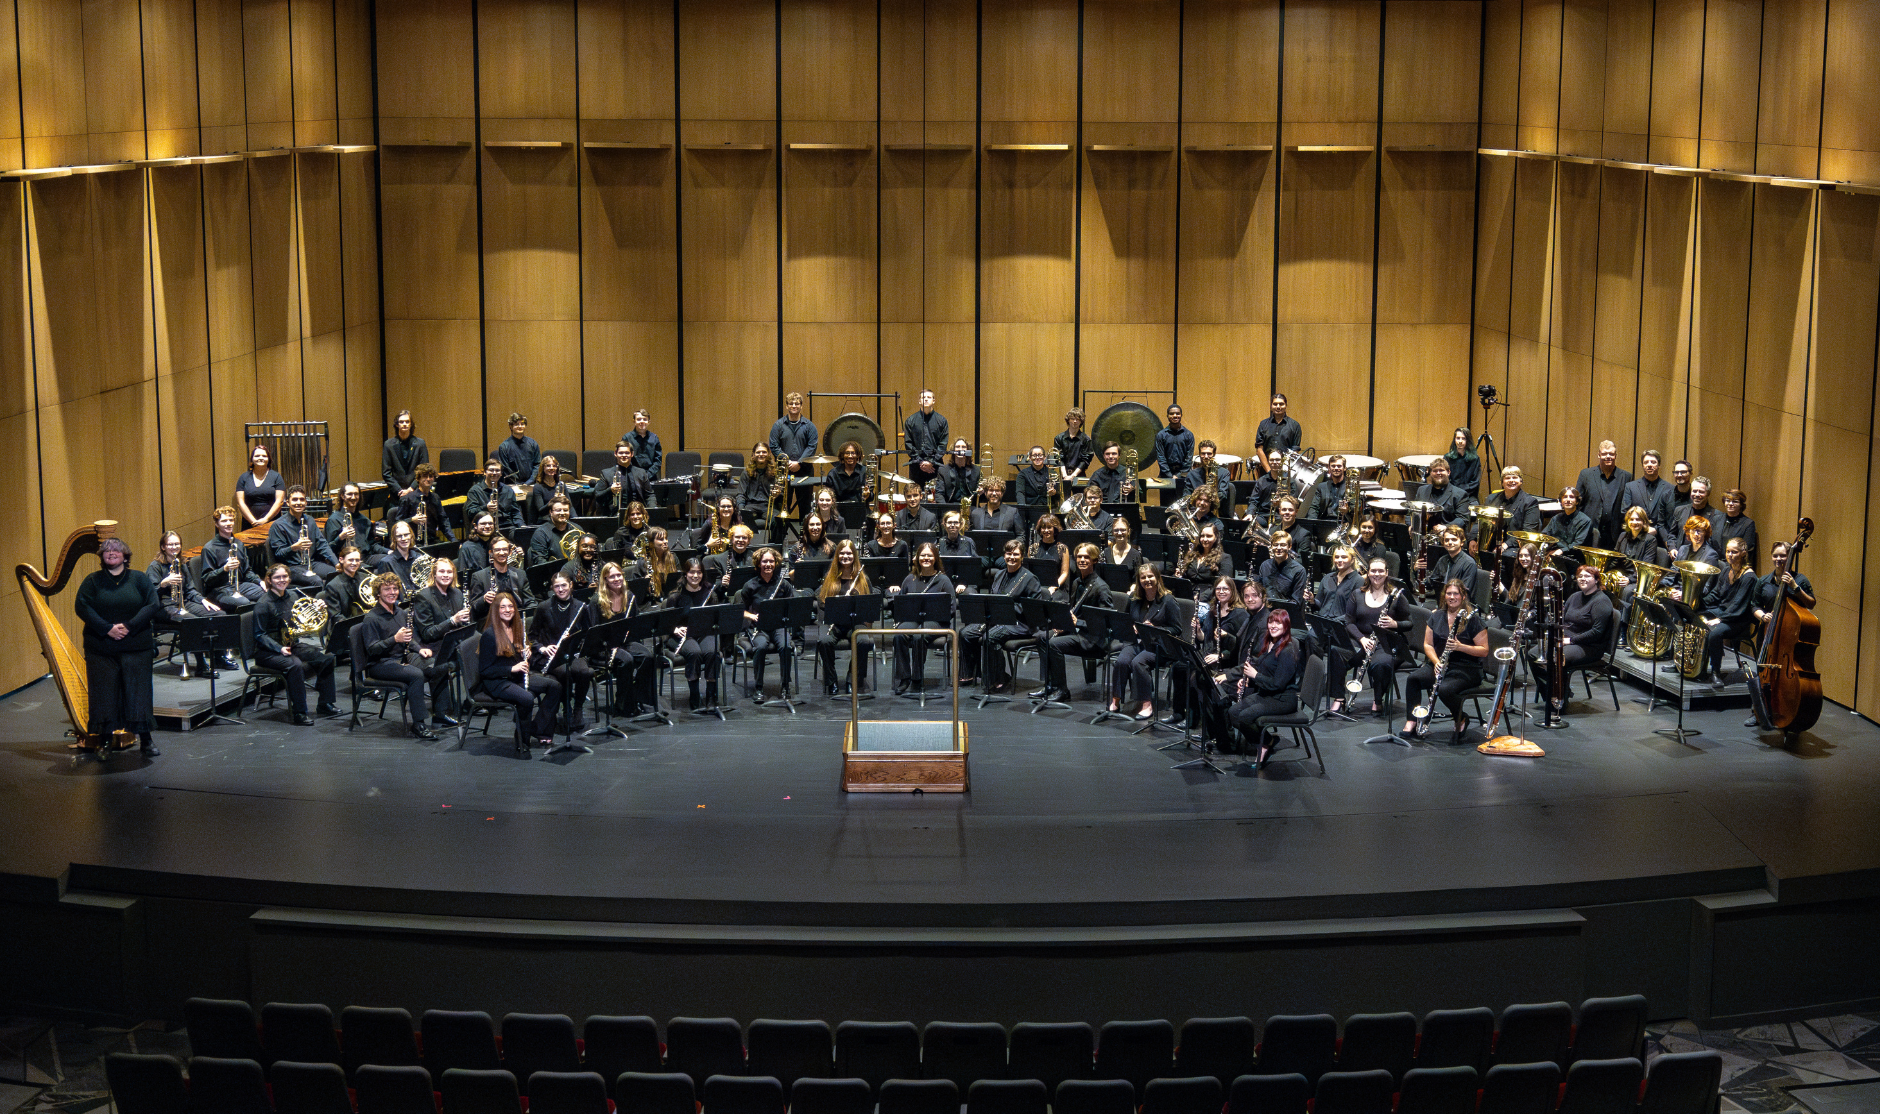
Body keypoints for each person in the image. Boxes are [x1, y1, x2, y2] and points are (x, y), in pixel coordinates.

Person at [75, 537, 161, 757]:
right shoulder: (92, 581)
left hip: (136, 646)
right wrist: (107, 629)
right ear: (101, 556)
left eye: (115, 550)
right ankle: (104, 741)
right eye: (106, 550)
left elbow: (153, 604)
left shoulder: (139, 579)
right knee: (103, 695)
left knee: (138, 693)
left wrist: (129, 626)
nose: (110, 553)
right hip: (101, 648)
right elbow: (82, 607)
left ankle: (146, 740)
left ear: (125, 554)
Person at [359, 571, 447, 740]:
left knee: (438, 666)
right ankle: (419, 724)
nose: (392, 592)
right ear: (378, 593)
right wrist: (394, 639)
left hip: (402, 658)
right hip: (380, 665)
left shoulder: (400, 612)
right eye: (387, 589)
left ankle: (440, 714)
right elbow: (371, 650)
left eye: (395, 588)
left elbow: (408, 637)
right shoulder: (371, 618)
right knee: (416, 675)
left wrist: (419, 648)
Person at [1401, 579, 1488, 743]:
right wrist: (1436, 662)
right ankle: (1412, 720)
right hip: (1440, 664)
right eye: (1449, 593)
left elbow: (1484, 650)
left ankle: (1461, 718)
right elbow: (1427, 644)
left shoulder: (1473, 619)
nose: (1452, 597)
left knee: (1445, 689)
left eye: (1456, 594)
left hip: (1466, 668)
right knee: (1413, 679)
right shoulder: (1437, 616)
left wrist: (1460, 647)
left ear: (1463, 597)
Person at [252, 563, 339, 725]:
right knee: (295, 665)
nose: (281, 580)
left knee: (326, 657)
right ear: (269, 580)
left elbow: (301, 619)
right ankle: (299, 712)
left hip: (291, 644)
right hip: (267, 652)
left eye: (284, 577)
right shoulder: (263, 604)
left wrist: (317, 607)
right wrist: (279, 648)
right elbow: (259, 634)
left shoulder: (292, 596)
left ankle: (325, 703)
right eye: (277, 577)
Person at [478, 591, 561, 751]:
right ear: (496, 610)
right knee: (527, 698)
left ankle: (538, 729)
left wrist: (527, 654)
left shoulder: (516, 629)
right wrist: (512, 668)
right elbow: (485, 670)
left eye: (510, 606)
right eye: (503, 607)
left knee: (554, 686)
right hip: (497, 681)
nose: (507, 610)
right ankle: (522, 740)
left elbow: (516, 657)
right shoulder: (489, 635)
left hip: (514, 677)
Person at [959, 540, 1044, 693]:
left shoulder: (1030, 578)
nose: (1012, 557)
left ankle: (998, 679)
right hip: (998, 619)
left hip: (1021, 624)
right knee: (965, 633)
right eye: (1008, 553)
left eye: (1016, 554)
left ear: (1022, 557)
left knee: (989, 638)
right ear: (1004, 555)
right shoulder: (999, 574)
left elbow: (1034, 609)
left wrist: (1006, 607)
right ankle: (972, 674)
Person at [1531, 564, 1616, 713]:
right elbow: (1562, 620)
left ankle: (1559, 700)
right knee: (1533, 653)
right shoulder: (1574, 596)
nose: (1583, 579)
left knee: (1556, 656)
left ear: (1596, 580)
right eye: (1580, 576)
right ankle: (1552, 695)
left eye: (1587, 576)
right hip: (1566, 641)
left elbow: (1597, 632)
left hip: (1590, 647)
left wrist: (1570, 640)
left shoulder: (1601, 601)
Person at [1035, 543, 1113, 702]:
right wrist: (1064, 623)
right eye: (1079, 557)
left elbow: (1106, 622)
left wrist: (1079, 623)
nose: (1082, 560)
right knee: (1042, 637)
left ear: (1094, 560)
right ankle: (1050, 685)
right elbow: (1073, 610)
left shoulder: (1101, 587)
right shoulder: (1077, 582)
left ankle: (1062, 690)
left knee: (1053, 644)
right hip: (1077, 633)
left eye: (1086, 557)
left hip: (1093, 639)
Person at [1227, 610, 1303, 765]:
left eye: (1278, 623)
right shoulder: (1270, 642)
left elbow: (1278, 684)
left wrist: (1255, 676)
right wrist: (1250, 680)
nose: (1273, 626)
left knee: (1245, 716)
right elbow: (1266, 670)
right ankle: (1268, 740)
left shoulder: (1288, 650)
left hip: (1283, 699)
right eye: (1270, 622)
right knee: (1233, 713)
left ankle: (1263, 745)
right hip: (1267, 693)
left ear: (1286, 625)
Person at [1335, 557, 1410, 716]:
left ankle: (1378, 700)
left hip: (1387, 642)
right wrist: (1361, 639)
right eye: (1373, 571)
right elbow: (1348, 622)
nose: (1377, 574)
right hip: (1361, 640)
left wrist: (1394, 624)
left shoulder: (1396, 596)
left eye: (1381, 571)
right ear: (1367, 573)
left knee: (1379, 665)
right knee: (1337, 654)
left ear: (1387, 573)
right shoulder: (1357, 594)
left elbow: (1409, 623)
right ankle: (1339, 698)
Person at [1169, 576, 1244, 730]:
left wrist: (1220, 655)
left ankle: (1195, 719)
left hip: (1227, 660)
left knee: (1195, 675)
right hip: (1208, 654)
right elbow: (1205, 638)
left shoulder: (1239, 614)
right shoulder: (1213, 611)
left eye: (1225, 589)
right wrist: (1198, 631)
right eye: (1218, 589)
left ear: (1232, 591)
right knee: (1178, 667)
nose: (1221, 592)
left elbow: (1240, 646)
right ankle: (1179, 713)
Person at [148, 530, 221, 677]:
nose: (174, 547)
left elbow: (190, 590)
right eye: (170, 544)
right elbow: (149, 596)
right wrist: (163, 584)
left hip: (183, 602)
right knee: (193, 622)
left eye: (177, 544)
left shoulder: (181, 564)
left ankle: (218, 658)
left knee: (218, 614)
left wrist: (203, 600)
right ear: (163, 547)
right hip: (164, 607)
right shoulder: (155, 567)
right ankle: (201, 665)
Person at [594, 561, 660, 718]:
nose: (616, 579)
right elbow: (593, 632)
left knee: (648, 656)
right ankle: (623, 704)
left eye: (619, 575)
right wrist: (609, 645)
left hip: (623, 643)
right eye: (612, 577)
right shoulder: (596, 601)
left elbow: (635, 625)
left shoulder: (629, 597)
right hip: (602, 648)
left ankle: (637, 697)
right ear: (605, 580)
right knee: (627, 660)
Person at [1110, 564, 1175, 719]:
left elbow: (1176, 629)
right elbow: (1125, 620)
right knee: (1122, 661)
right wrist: (1131, 627)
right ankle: (1116, 700)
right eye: (1143, 577)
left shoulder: (1168, 600)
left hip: (1159, 646)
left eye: (1150, 576)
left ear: (1157, 577)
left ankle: (1147, 704)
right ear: (1139, 580)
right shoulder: (1134, 598)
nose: (1147, 580)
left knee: (1138, 662)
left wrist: (1155, 628)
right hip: (1137, 642)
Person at [531, 571, 594, 729]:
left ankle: (578, 708)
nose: (560, 589)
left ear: (571, 585)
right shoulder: (544, 607)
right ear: (552, 588)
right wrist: (543, 648)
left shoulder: (581, 607)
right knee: (565, 673)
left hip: (573, 654)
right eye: (556, 586)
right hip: (551, 657)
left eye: (564, 585)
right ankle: (567, 708)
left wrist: (580, 648)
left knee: (585, 672)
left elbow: (588, 634)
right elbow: (532, 636)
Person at [888, 542, 953, 694]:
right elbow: (901, 603)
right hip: (913, 618)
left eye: (929, 555)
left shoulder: (943, 580)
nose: (926, 558)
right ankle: (904, 678)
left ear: (935, 558)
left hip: (937, 621)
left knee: (918, 636)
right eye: (923, 555)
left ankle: (917, 678)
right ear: (917, 558)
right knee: (899, 634)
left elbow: (951, 608)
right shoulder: (909, 579)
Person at [734, 546, 796, 702]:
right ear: (758, 564)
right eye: (765, 561)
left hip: (778, 625)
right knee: (760, 647)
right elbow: (739, 610)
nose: (768, 564)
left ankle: (785, 686)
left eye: (771, 561)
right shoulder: (750, 586)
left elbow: (792, 606)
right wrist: (752, 616)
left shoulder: (783, 585)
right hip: (758, 627)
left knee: (786, 646)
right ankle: (759, 688)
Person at [1696, 537, 1757, 686]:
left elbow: (1738, 606)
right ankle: (1689, 665)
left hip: (1738, 619)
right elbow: (1716, 594)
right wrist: (1698, 603)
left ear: (1743, 553)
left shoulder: (1749, 577)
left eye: (1734, 552)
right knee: (1692, 617)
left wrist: (1721, 619)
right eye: (1728, 551)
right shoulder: (1726, 570)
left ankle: (1715, 672)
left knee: (1715, 632)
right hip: (1723, 612)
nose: (1729, 555)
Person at [815, 540, 874, 695]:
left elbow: (870, 603)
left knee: (864, 641)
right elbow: (821, 601)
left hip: (855, 622)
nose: (845, 556)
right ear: (837, 555)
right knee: (824, 641)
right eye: (842, 553)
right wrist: (836, 604)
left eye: (849, 553)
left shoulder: (863, 579)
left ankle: (852, 679)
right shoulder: (830, 577)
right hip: (835, 623)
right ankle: (831, 680)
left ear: (854, 555)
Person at [665, 557, 724, 711]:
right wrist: (675, 629)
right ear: (685, 574)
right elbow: (666, 621)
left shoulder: (709, 592)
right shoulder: (675, 596)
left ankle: (711, 696)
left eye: (699, 572)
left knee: (712, 652)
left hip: (704, 632)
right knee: (694, 652)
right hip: (682, 635)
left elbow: (715, 617)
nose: (695, 576)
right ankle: (695, 695)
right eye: (692, 572)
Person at [413, 559, 478, 692]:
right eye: (441, 571)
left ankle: (474, 700)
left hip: (455, 643)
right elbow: (427, 633)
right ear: (434, 574)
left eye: (449, 572)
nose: (446, 575)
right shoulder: (423, 596)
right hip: (436, 648)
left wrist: (466, 621)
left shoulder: (457, 593)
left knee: (481, 643)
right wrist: (453, 620)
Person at [201, 506, 264, 627]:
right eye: (224, 521)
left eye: (231, 520)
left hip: (240, 585)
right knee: (244, 602)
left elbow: (247, 571)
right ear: (216, 524)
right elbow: (207, 579)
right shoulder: (209, 548)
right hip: (219, 590)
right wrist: (224, 569)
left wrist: (260, 582)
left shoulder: (238, 544)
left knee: (268, 594)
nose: (229, 523)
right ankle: (244, 636)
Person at [269, 485, 339, 589]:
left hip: (311, 563)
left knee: (335, 574)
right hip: (291, 568)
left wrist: (336, 563)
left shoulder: (310, 520)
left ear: (306, 502)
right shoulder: (278, 525)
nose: (298, 503)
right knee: (316, 581)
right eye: (294, 499)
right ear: (287, 502)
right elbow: (278, 554)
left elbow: (322, 545)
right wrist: (294, 547)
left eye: (302, 499)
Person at [769, 391, 819, 518]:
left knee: (805, 507)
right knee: (782, 506)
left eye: (797, 403)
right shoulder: (778, 425)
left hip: (805, 472)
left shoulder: (809, 426)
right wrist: (787, 462)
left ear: (801, 406)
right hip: (784, 471)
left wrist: (800, 463)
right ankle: (782, 536)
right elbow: (774, 446)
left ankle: (804, 536)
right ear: (786, 406)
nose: (794, 406)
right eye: (791, 403)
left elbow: (812, 446)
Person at [1576, 440, 1632, 546]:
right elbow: (1578, 503)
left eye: (1611, 453)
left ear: (1615, 455)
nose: (1608, 456)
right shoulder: (1586, 474)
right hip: (1590, 530)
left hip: (1615, 534)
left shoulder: (1626, 477)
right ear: (1599, 455)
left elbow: (1628, 506)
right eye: (1604, 453)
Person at [469, 537, 534, 623]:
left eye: (505, 549)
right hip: (491, 621)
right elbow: (474, 606)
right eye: (497, 550)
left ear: (510, 552)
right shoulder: (478, 576)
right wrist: (484, 599)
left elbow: (530, 601)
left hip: (516, 619)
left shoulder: (520, 574)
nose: (502, 553)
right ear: (491, 553)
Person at [324, 482, 390, 563]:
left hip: (365, 557)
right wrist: (340, 537)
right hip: (347, 560)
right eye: (349, 494)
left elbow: (372, 545)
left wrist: (388, 551)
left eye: (356, 494)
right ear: (342, 496)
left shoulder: (365, 520)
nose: (353, 497)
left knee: (390, 560)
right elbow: (328, 550)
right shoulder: (334, 520)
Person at [464, 458, 523, 536]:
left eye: (497, 470)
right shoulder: (475, 491)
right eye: (491, 470)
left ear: (501, 473)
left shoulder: (508, 490)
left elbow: (515, 512)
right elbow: (470, 512)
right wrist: (486, 508)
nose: (494, 473)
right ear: (485, 472)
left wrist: (522, 527)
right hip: (486, 528)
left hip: (507, 527)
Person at [1623, 450, 1674, 539]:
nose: (1649, 465)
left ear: (1659, 465)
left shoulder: (1669, 488)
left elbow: (1670, 516)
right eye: (1646, 462)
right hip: (1636, 537)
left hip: (1661, 539)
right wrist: (1644, 528)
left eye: (1653, 462)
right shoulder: (1630, 487)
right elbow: (1625, 512)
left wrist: (1656, 529)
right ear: (1642, 465)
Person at [1421, 524, 1478, 603]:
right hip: (1442, 603)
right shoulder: (1442, 560)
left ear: (1462, 543)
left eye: (1454, 539)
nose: (1450, 542)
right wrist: (1418, 570)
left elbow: (1464, 593)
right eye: (1446, 540)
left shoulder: (1469, 563)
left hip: (1460, 607)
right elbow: (1430, 583)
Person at [904, 389, 948, 488]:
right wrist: (921, 462)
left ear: (934, 400)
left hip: (935, 466)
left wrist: (931, 462)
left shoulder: (942, 421)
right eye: (923, 397)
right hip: (916, 466)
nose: (926, 399)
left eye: (929, 397)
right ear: (919, 401)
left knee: (935, 496)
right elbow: (908, 444)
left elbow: (942, 444)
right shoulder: (910, 421)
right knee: (916, 495)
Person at [235, 443, 286, 528]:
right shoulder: (243, 477)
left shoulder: (276, 477)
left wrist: (266, 519)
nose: (261, 458)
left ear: (268, 459)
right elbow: (240, 502)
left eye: (264, 456)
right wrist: (253, 521)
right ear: (252, 459)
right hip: (249, 522)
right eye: (257, 456)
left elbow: (279, 501)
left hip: (272, 521)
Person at [596, 439, 649, 519]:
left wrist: (652, 511)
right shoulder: (606, 473)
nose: (624, 455)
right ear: (615, 454)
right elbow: (598, 496)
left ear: (632, 454)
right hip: (614, 516)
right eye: (620, 453)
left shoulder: (641, 473)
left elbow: (649, 495)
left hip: (637, 515)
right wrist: (610, 490)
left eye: (627, 453)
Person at [382, 409, 428, 498]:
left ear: (411, 424)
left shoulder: (420, 444)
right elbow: (386, 473)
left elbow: (424, 470)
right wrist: (399, 490)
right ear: (397, 424)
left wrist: (411, 488)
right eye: (401, 422)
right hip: (397, 494)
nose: (404, 424)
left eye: (407, 422)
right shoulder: (388, 445)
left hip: (416, 492)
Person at [1311, 544, 1362, 624]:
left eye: (1344, 557)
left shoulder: (1359, 581)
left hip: (1341, 625)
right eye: (1337, 557)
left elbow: (1355, 612)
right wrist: (1312, 600)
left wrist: (1334, 622)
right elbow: (1319, 604)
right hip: (1321, 621)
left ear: (1352, 560)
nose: (1339, 560)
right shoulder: (1327, 577)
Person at [1667, 475, 1725, 542]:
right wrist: (1672, 548)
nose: (1697, 495)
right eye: (1694, 491)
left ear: (1708, 494)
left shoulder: (1717, 516)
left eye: (1701, 492)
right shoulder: (1679, 510)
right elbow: (1672, 535)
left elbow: (1715, 542)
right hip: (1680, 551)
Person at [740, 443, 782, 534]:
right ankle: (749, 545)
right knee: (742, 518)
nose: (761, 454)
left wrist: (778, 494)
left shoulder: (776, 473)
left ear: (769, 454)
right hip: (750, 506)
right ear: (753, 455)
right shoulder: (746, 473)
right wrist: (741, 510)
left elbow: (781, 495)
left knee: (779, 520)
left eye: (764, 452)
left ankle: (775, 546)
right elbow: (741, 494)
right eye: (758, 452)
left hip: (768, 506)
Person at [1414, 457, 1471, 524]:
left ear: (1448, 472)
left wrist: (1445, 528)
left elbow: (1462, 518)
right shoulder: (1422, 490)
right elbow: (1411, 513)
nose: (1438, 473)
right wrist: (1411, 525)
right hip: (1424, 532)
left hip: (1448, 533)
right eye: (1434, 471)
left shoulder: (1460, 494)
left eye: (1441, 470)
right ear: (1430, 473)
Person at [1254, 394, 1302, 472]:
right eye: (1275, 404)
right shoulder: (1263, 424)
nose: (1278, 407)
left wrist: (1283, 471)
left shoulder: (1295, 425)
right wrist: (1269, 471)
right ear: (1271, 406)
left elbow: (1294, 451)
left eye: (1281, 404)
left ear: (1286, 405)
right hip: (1266, 470)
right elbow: (1259, 449)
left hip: (1286, 471)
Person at [1180, 440, 1235, 506]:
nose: (1206, 457)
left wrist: (1206, 501)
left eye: (1209, 454)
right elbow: (1186, 495)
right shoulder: (1192, 474)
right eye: (1203, 453)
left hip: (1215, 509)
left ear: (1214, 454)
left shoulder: (1224, 473)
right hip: (1196, 509)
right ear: (1199, 454)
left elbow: (1222, 494)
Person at [527, 497, 579, 568]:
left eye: (565, 510)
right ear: (550, 512)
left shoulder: (576, 529)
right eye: (558, 510)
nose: (562, 513)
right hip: (554, 574)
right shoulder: (541, 533)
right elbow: (540, 562)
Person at [1258, 530, 1307, 604]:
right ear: (1271, 546)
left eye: (1283, 545)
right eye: (1275, 544)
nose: (1278, 548)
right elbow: (1259, 592)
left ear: (1289, 546)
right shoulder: (1265, 565)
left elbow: (1296, 601)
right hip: (1266, 610)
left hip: (1286, 613)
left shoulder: (1299, 570)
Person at [496, 412, 542, 489]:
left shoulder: (533, 444)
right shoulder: (504, 446)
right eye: (516, 424)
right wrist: (519, 484)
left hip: (531, 484)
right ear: (511, 426)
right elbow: (506, 469)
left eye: (522, 424)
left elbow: (537, 465)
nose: (520, 426)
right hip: (512, 485)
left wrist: (529, 482)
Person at [325, 546, 372, 619]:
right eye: (351, 560)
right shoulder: (332, 586)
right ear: (341, 560)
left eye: (357, 560)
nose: (354, 563)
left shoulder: (366, 578)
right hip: (346, 623)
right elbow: (336, 616)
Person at [526, 455, 573, 527]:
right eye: (548, 466)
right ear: (543, 468)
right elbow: (541, 511)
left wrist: (576, 520)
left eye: (554, 466)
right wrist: (553, 501)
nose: (551, 468)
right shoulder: (538, 487)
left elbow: (570, 506)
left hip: (561, 518)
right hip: (545, 521)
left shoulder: (561, 485)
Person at [1718, 488, 1759, 570]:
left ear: (1741, 505)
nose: (1730, 504)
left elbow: (1747, 551)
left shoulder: (1748, 524)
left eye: (1735, 501)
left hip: (1734, 567)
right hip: (1715, 564)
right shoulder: (1717, 519)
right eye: (1727, 501)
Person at [633, 526, 679, 598]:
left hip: (671, 597)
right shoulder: (642, 562)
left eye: (666, 538)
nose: (665, 542)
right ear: (651, 543)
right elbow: (636, 589)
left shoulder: (673, 557)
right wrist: (645, 583)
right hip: (651, 599)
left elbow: (680, 579)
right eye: (661, 539)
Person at [623, 408, 663, 490]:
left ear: (649, 422)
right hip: (632, 478)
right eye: (639, 419)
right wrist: (637, 475)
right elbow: (624, 458)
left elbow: (658, 460)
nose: (642, 421)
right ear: (634, 421)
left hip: (651, 478)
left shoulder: (654, 438)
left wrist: (648, 475)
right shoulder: (627, 438)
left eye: (645, 419)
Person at [1154, 404, 1193, 485]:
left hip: (1183, 476)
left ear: (1181, 415)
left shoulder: (1189, 435)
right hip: (1165, 476)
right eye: (1172, 414)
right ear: (1167, 416)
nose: (1175, 416)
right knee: (1166, 498)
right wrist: (1170, 476)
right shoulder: (1161, 435)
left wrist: (1179, 476)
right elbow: (1161, 457)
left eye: (1177, 413)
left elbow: (1188, 459)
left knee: (1183, 498)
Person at [1029, 514, 1071, 589]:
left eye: (1049, 527)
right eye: (1043, 528)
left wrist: (1053, 587)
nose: (1046, 530)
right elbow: (1030, 572)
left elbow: (1064, 573)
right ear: (1040, 530)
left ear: (1054, 529)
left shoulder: (1063, 548)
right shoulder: (1032, 548)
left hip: (1057, 588)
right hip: (1038, 587)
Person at [1053, 407, 1094, 484]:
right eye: (1072, 419)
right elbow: (1059, 458)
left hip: (1079, 475)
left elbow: (1085, 460)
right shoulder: (1059, 438)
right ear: (1068, 420)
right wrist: (1065, 476)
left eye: (1077, 419)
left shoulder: (1086, 439)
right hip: (1062, 474)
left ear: (1081, 421)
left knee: (1079, 496)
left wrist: (1072, 476)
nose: (1075, 421)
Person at [1307, 455, 1353, 523]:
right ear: (1329, 468)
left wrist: (1347, 510)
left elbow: (1356, 507)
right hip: (1324, 522)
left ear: (1344, 468)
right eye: (1333, 466)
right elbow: (1314, 507)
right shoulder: (1322, 486)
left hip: (1344, 523)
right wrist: (1311, 524)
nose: (1336, 468)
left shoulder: (1351, 487)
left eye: (1339, 466)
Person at [936, 439, 982, 506]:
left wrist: (982, 491)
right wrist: (945, 509)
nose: (960, 449)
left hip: (970, 508)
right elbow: (939, 494)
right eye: (957, 447)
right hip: (950, 508)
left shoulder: (976, 470)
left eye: (963, 447)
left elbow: (980, 496)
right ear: (953, 451)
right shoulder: (943, 470)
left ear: (968, 450)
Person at [559, 532, 602, 603]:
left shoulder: (602, 565)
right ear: (578, 547)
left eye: (592, 547)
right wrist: (587, 592)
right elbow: (562, 592)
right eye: (584, 546)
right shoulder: (568, 568)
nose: (588, 550)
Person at [458, 512, 501, 578]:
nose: (487, 526)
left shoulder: (498, 544)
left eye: (490, 523)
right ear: (475, 526)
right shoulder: (466, 547)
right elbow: (463, 574)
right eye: (483, 524)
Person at [825, 441, 868, 505]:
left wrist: (868, 495)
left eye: (853, 453)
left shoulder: (865, 471)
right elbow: (828, 495)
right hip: (838, 510)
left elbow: (871, 497)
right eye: (847, 453)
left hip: (860, 508)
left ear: (858, 455)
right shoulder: (833, 473)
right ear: (842, 455)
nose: (850, 456)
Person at [1443, 426, 1480, 497]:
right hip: (1451, 494)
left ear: (1468, 441)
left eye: (1463, 438)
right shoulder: (1447, 458)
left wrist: (1461, 491)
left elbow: (1475, 482)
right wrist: (1454, 491)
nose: (1460, 441)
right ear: (1454, 440)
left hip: (1469, 494)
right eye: (1458, 438)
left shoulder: (1475, 459)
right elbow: (1446, 479)